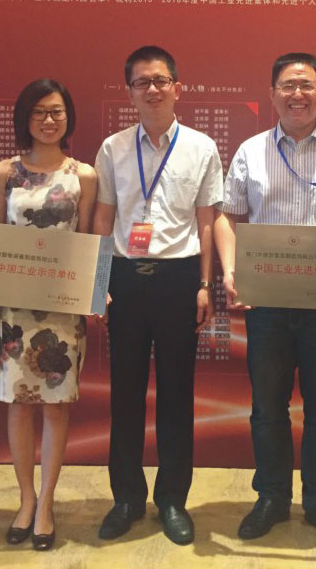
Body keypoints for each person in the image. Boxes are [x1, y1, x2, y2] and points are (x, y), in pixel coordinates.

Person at [214, 52, 316, 548]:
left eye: (306, 84)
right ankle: (271, 496)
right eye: (287, 85)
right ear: (272, 95)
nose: (297, 95)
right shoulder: (251, 151)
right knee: (267, 406)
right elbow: (228, 215)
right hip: (266, 303)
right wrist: (231, 269)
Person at [92, 45, 223, 545]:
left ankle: (172, 499)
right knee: (124, 394)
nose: (152, 89)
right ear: (129, 91)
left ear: (177, 88)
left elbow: (206, 220)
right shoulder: (113, 148)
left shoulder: (201, 147)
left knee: (176, 394)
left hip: (177, 278)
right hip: (125, 279)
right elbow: (104, 217)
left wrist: (204, 284)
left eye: (160, 80)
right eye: (142, 82)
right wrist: (99, 282)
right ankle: (127, 498)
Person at [0, 79, 97, 551]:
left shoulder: (84, 175)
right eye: (38, 112)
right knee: (19, 404)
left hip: (62, 307)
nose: (48, 120)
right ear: (24, 118)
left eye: (56, 111)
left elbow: (89, 241)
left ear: (68, 117)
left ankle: (48, 503)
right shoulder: (5, 173)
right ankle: (25, 499)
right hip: (14, 308)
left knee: (56, 405)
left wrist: (93, 293)